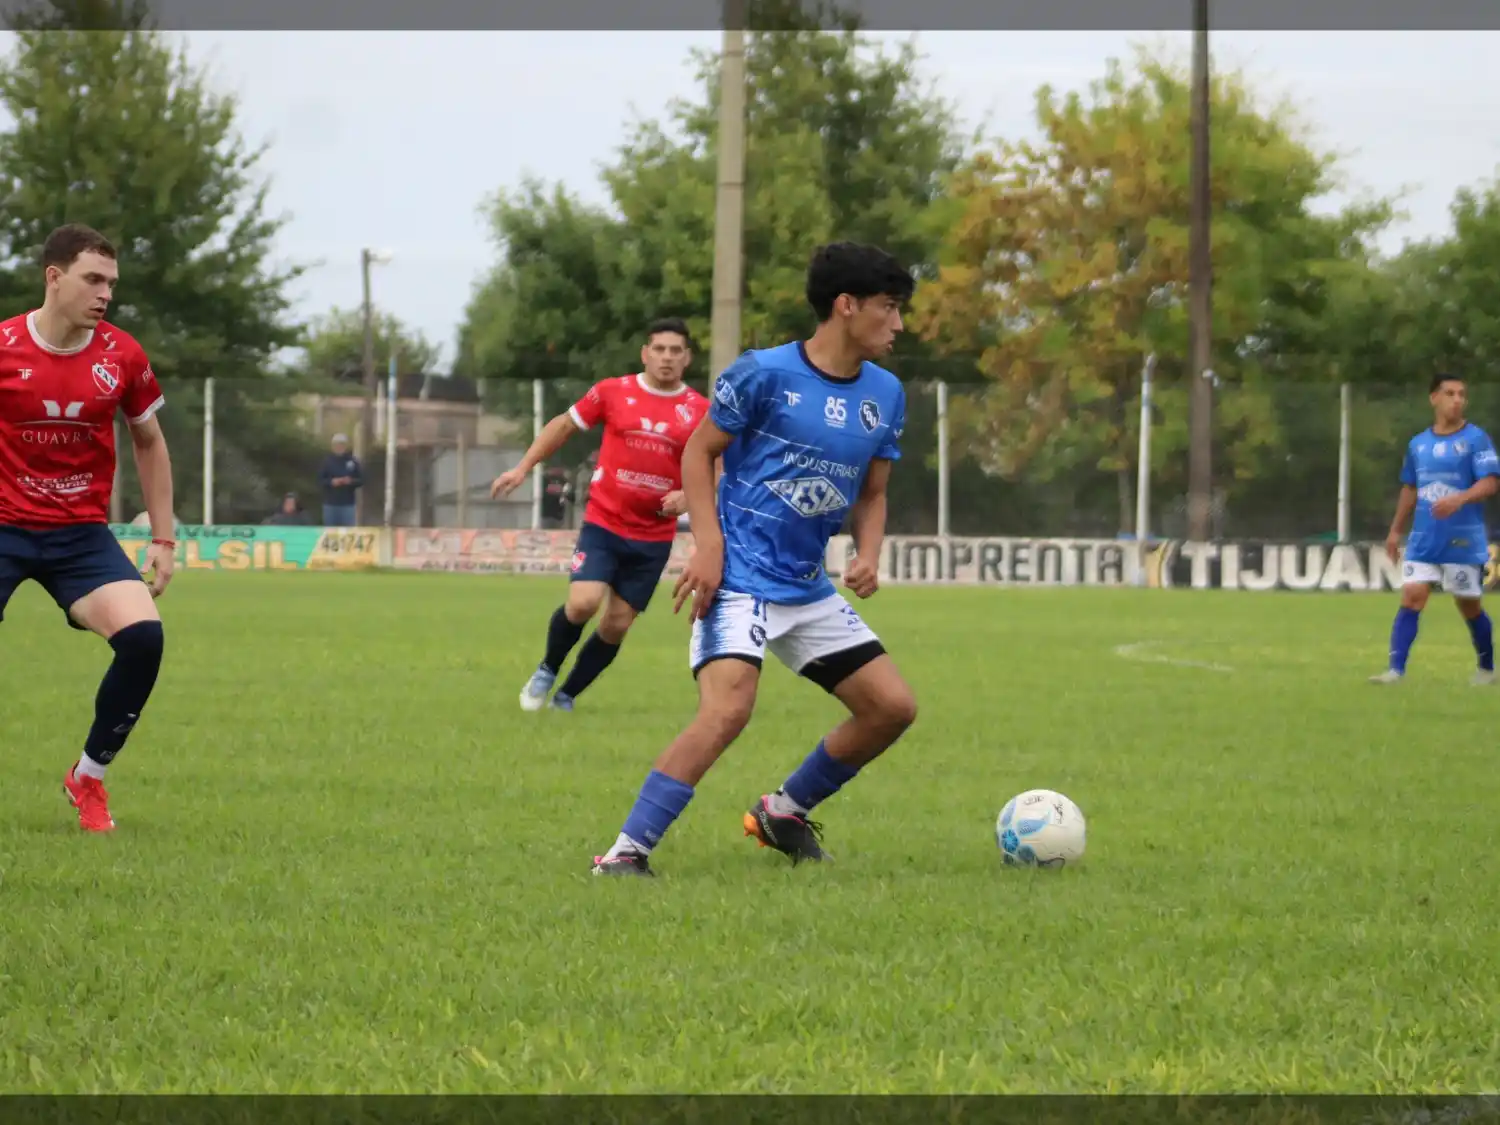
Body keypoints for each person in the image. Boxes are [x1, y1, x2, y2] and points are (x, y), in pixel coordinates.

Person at [591, 242, 919, 877]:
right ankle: (625, 855)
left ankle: (783, 811)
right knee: (728, 708)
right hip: (739, 577)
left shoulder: (886, 394)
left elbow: (874, 493)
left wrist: (868, 554)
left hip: (807, 587)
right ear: (846, 307)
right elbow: (697, 453)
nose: (898, 323)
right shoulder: (762, 373)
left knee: (891, 708)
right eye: (890, 307)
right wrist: (708, 549)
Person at [0, 223, 176, 833]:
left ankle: (89, 778)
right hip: (3, 527)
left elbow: (150, 442)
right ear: (55, 277)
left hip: (79, 536)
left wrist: (163, 538)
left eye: (111, 283)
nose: (105, 294)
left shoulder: (121, 355)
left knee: (144, 640)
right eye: (93, 279)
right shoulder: (3, 348)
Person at [490, 317, 709, 712]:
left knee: (617, 624)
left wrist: (689, 497)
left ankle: (566, 696)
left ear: (687, 359)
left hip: (653, 535)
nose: (666, 357)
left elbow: (721, 466)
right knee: (583, 604)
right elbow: (562, 425)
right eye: (659, 349)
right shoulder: (612, 391)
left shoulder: (699, 411)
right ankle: (546, 669)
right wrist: (522, 467)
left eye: (675, 351)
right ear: (645, 353)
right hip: (605, 522)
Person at [1372, 372, 1500, 685]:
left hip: (1462, 539)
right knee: (1413, 595)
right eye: (1450, 393)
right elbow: (1410, 489)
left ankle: (1487, 668)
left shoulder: (1475, 439)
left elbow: (1491, 482)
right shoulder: (1418, 444)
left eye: (1461, 394)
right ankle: (1395, 671)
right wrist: (1394, 531)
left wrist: (1460, 499)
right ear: (1434, 399)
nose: (1457, 400)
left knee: (1468, 605)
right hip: (1423, 537)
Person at [319, 433, 363, 526]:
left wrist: (351, 481)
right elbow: (320, 480)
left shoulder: (353, 461)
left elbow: (362, 479)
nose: (339, 447)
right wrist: (331, 482)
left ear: (345, 446)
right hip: (330, 505)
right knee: (330, 533)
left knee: (348, 532)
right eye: (337, 444)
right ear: (333, 446)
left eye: (342, 444)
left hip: (348, 505)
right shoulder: (327, 462)